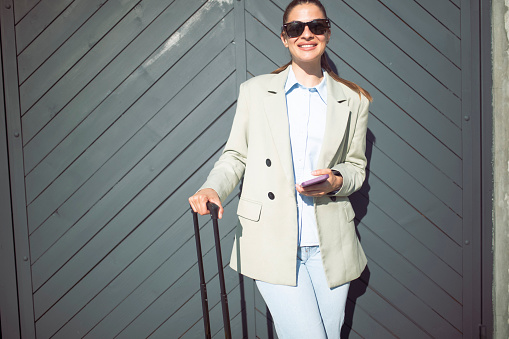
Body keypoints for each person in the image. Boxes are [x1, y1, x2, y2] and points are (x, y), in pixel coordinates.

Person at [189, 0, 372, 337]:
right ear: (284, 38)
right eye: (296, 28)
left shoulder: (353, 100)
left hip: (330, 243)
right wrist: (213, 186)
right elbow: (236, 155)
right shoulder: (256, 92)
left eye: (316, 26)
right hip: (272, 239)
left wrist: (336, 180)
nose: (307, 34)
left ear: (327, 33)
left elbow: (357, 167)